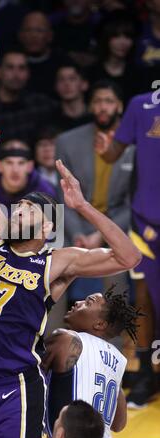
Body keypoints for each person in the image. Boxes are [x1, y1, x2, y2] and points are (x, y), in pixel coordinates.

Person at [0, 70, 141, 438]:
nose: (17, 209)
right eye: (16, 206)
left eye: (27, 208)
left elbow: (129, 255)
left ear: (47, 224)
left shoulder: (56, 263)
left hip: (15, 391)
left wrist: (83, 206)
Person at [96, 91, 160, 407]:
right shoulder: (140, 104)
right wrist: (106, 151)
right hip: (147, 219)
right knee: (145, 297)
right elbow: (114, 153)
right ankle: (147, 374)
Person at [43, 286, 142, 438]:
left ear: (100, 324)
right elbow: (119, 424)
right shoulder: (119, 360)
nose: (78, 302)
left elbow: (25, 381)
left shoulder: (66, 339)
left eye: (88, 303)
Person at [56, 80, 133, 282]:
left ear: (120, 106)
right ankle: (45, 314)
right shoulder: (67, 141)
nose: (102, 107)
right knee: (50, 267)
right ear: (90, 105)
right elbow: (62, 196)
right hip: (76, 224)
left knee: (121, 266)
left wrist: (101, 234)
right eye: (97, 101)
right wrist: (78, 234)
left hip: (117, 223)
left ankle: (115, 315)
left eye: (109, 101)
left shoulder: (135, 145)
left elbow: (132, 202)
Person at [0, 50, 56, 148]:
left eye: (22, 68)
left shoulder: (41, 105)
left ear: (28, 73)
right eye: (10, 67)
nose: (16, 74)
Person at [0, 139, 58, 214]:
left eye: (21, 163)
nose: (15, 170)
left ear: (30, 166)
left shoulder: (45, 192)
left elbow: (56, 224)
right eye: (9, 163)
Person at [17, 11, 64, 96]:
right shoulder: (9, 63)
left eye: (39, 30)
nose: (33, 35)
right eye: (28, 30)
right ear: (20, 35)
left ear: (50, 36)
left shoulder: (63, 63)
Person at [53, 61, 91, 131]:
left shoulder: (94, 117)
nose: (66, 84)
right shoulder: (49, 119)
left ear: (84, 84)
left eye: (72, 79)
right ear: (56, 86)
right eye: (61, 79)